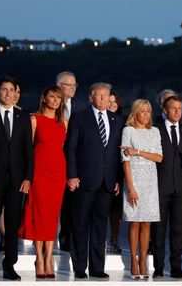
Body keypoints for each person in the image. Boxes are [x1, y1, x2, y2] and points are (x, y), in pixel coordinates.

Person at [65, 82, 124, 279]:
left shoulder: (117, 120)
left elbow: (116, 154)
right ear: (91, 97)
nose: (102, 99)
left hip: (107, 183)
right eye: (98, 95)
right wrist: (72, 175)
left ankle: (97, 268)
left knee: (100, 226)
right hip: (83, 181)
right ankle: (80, 268)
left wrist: (116, 179)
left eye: (105, 96)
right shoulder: (80, 117)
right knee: (80, 225)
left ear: (110, 98)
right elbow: (71, 148)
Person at [0, 77, 33, 281]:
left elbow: (28, 150)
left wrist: (28, 177)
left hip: (17, 181)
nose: (8, 93)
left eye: (12, 90)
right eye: (4, 89)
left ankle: (9, 265)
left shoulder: (23, 116)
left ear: (16, 93)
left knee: (12, 226)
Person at [18, 86, 68, 279]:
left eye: (58, 98)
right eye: (52, 97)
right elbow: (28, 151)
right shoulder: (34, 119)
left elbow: (62, 147)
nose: (55, 100)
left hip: (58, 173)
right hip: (39, 172)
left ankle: (49, 257)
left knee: (52, 216)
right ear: (44, 98)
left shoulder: (63, 122)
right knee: (38, 213)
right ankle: (39, 258)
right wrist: (28, 176)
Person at [121, 99, 163, 279]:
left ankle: (144, 260)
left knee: (147, 222)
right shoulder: (128, 130)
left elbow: (159, 157)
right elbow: (125, 161)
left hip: (150, 181)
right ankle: (133, 259)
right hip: (134, 179)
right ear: (135, 112)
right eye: (143, 111)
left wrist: (137, 151)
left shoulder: (155, 131)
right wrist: (130, 187)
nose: (146, 115)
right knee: (135, 221)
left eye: (148, 111)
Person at [152, 95, 182, 279]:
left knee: (178, 229)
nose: (177, 111)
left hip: (181, 188)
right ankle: (159, 268)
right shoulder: (155, 129)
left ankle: (176, 267)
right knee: (159, 229)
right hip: (160, 186)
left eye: (180, 108)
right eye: (173, 108)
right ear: (165, 110)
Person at [56, 71, 78, 252]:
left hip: (73, 160)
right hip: (54, 159)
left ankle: (67, 237)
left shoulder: (79, 107)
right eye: (69, 85)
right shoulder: (51, 106)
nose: (73, 88)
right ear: (59, 86)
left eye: (74, 85)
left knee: (71, 202)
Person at [107, 91, 125, 255]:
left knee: (115, 210)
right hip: (100, 170)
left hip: (118, 170)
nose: (112, 104)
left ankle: (113, 240)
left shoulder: (123, 122)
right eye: (109, 101)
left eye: (115, 101)